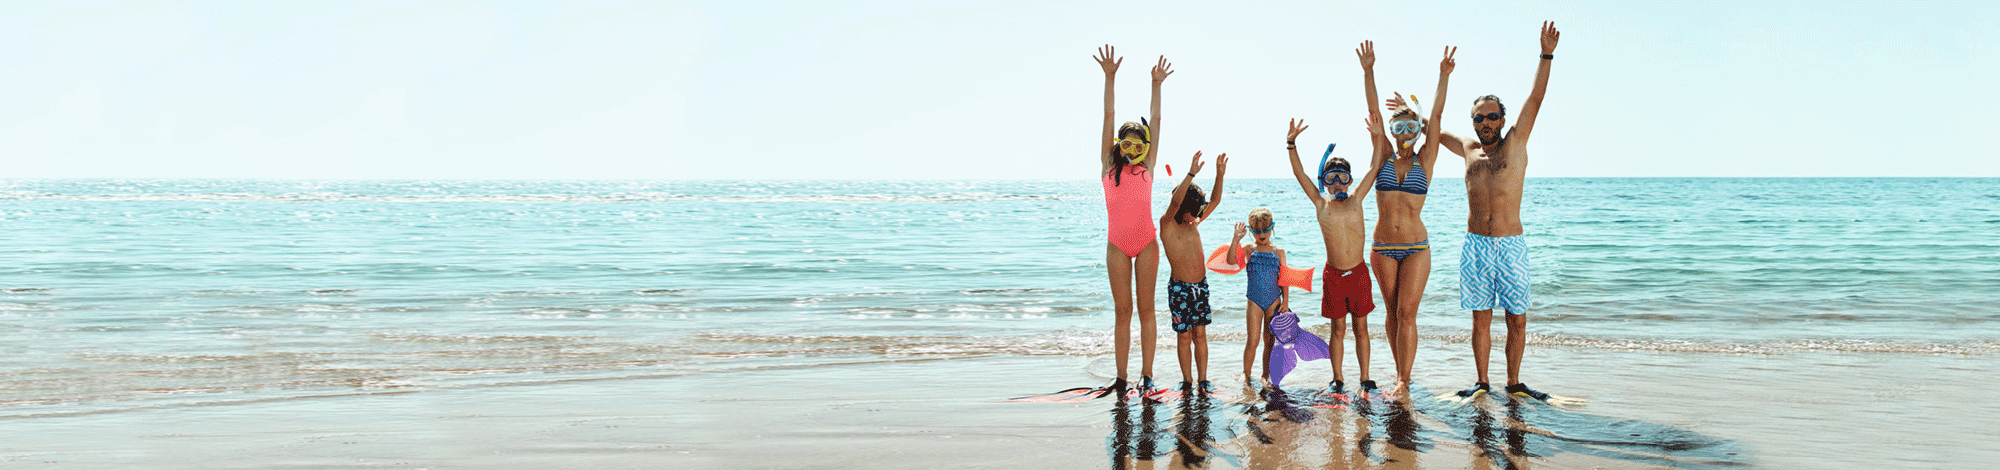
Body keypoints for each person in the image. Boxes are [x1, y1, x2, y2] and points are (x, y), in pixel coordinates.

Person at [1430, 22, 1568, 403]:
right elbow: (1431, 127)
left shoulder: (1515, 144)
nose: (1486, 123)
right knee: (1480, 318)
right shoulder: (1468, 149)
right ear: (1473, 122)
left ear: (1502, 120)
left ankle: (1514, 382)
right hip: (1475, 245)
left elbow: (1535, 99)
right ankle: (1481, 382)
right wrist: (1416, 107)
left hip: (1511, 245)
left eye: (1492, 117)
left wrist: (1546, 54)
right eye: (1479, 118)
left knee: (1517, 318)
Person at [1366, 45, 1457, 392]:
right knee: (1391, 313)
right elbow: (1373, 110)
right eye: (1398, 126)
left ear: (1418, 130)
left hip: (1417, 247)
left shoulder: (1426, 159)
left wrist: (1443, 76)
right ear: (1392, 130)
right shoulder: (1383, 154)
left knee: (1407, 313)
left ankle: (1404, 379)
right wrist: (1369, 71)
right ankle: (1399, 370)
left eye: (1411, 126)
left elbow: (1437, 114)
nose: (1405, 132)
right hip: (1383, 247)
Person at [1282, 113, 1383, 395]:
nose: (1337, 183)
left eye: (1343, 178)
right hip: (1334, 276)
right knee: (1337, 329)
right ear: (1324, 182)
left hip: (1359, 273)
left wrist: (1377, 137)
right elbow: (1299, 174)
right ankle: (1337, 379)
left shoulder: (1357, 198)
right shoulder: (1321, 204)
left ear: (1350, 181)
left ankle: (1365, 378)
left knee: (1361, 329)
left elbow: (1375, 166)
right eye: (1331, 178)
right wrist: (1291, 144)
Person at [1093, 45, 1175, 392]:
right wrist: (1110, 77)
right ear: (1119, 145)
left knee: (1146, 310)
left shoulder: (1148, 167)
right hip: (1116, 245)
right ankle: (1121, 377)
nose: (1131, 151)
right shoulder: (1107, 165)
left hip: (1146, 244)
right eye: (1126, 144)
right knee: (1122, 311)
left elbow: (1156, 122)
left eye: (1138, 146)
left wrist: (1156, 85)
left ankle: (1148, 375)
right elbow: (1108, 115)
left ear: (1145, 148)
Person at [1159, 151, 1227, 392]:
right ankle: (1187, 380)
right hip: (1180, 288)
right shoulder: (1167, 224)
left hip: (1200, 287)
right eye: (1196, 211)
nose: (1199, 215)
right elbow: (1175, 203)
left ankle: (1203, 379)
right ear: (1184, 208)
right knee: (1184, 336)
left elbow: (1215, 201)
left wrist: (1219, 175)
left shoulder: (1194, 222)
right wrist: (1190, 174)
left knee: (1200, 335)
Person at [1228, 208, 1288, 382]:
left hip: (1274, 301)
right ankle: (1246, 374)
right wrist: (1236, 239)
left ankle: (1266, 376)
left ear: (1272, 227)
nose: (1261, 234)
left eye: (1265, 230)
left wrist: (1286, 301)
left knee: (1269, 341)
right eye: (1256, 231)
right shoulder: (1249, 248)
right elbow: (1231, 261)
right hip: (1254, 300)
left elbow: (1284, 278)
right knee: (1252, 341)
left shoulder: (1278, 251)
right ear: (1250, 230)